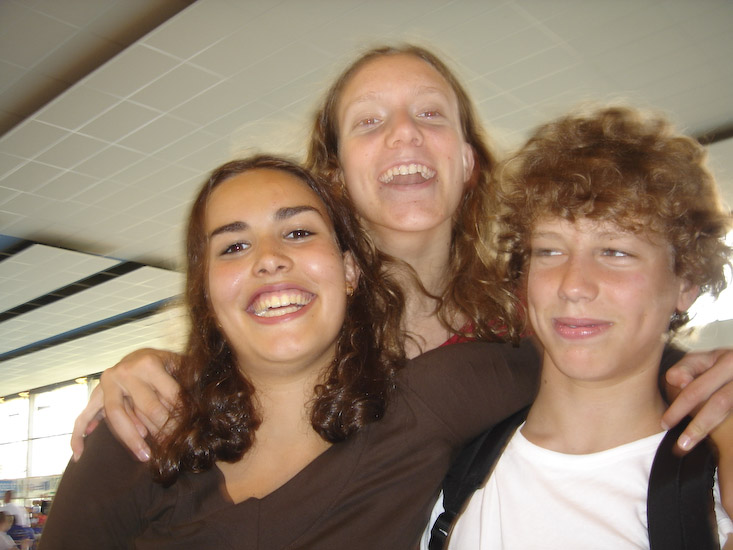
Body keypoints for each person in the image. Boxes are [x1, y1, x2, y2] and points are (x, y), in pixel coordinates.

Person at [70, 45, 733, 466]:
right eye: (370, 121)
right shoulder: (290, 329)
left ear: (468, 162)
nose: (405, 134)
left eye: (431, 115)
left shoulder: (531, 318)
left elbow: (638, 358)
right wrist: (150, 369)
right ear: (333, 176)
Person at [38, 155, 543, 549]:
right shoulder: (140, 433)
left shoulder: (425, 405)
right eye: (233, 247)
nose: (270, 259)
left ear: (349, 270)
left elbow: (567, 348)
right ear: (207, 295)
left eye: (298, 233)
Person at [427, 105, 733, 549]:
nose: (573, 285)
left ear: (685, 283)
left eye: (615, 252)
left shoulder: (714, 498)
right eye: (549, 251)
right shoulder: (443, 477)